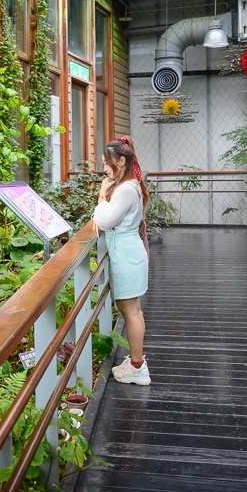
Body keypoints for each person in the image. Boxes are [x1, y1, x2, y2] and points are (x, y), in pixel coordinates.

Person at [93, 135, 151, 385]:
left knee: (130, 312)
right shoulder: (131, 185)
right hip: (130, 253)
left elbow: (104, 221)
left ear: (122, 161)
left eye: (107, 163)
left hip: (126, 256)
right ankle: (137, 360)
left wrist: (102, 196)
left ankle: (138, 368)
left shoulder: (125, 189)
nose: (105, 169)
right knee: (134, 310)